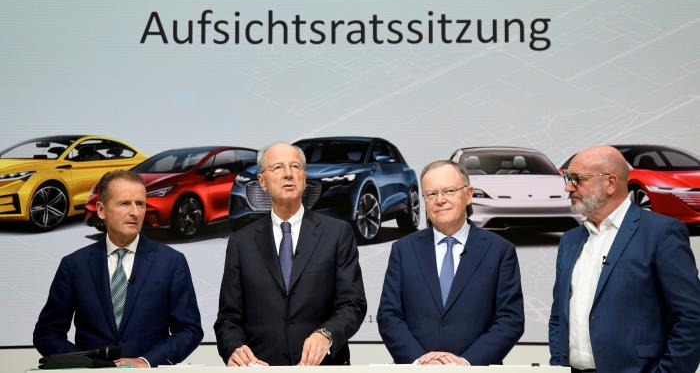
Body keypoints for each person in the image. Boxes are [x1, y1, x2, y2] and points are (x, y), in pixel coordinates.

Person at [549, 146, 700, 373]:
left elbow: (691, 318)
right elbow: (558, 315)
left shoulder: (660, 233)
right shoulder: (570, 241)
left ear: (610, 183)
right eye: (568, 179)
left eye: (577, 179)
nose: (569, 187)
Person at [214, 142, 366, 366]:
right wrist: (234, 348)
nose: (288, 174)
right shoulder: (241, 242)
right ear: (262, 182)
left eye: (295, 167)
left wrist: (326, 334)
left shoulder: (337, 233)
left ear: (304, 178)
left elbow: (353, 304)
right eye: (277, 168)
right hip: (261, 367)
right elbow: (228, 318)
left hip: (322, 367)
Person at [33, 170, 203, 367]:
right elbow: (47, 333)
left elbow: (189, 330)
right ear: (101, 210)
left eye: (140, 204)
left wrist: (147, 361)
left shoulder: (171, 262)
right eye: (124, 203)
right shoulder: (74, 265)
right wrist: (83, 362)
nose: (135, 212)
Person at [377, 160, 524, 365]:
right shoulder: (403, 250)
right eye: (431, 194)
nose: (440, 200)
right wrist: (420, 361)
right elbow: (389, 316)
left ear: (469, 194)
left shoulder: (499, 250)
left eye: (449, 191)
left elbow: (510, 320)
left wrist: (466, 362)